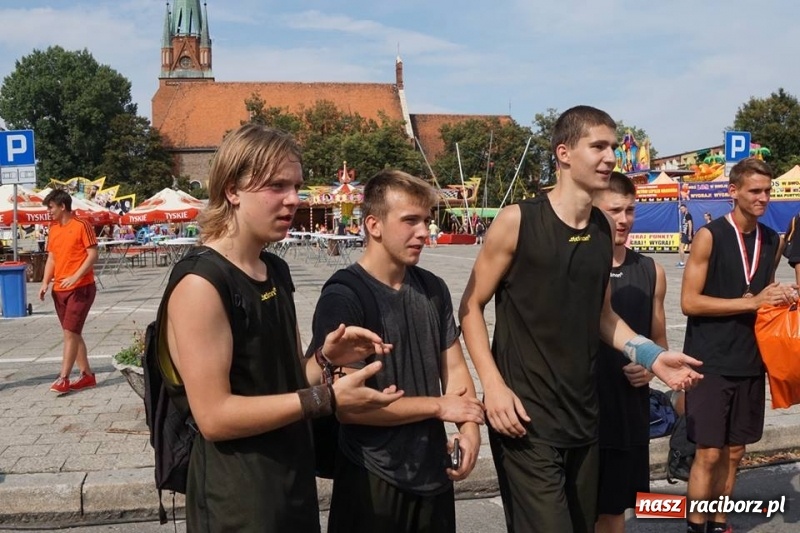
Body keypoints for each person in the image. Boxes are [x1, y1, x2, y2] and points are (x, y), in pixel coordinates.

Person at [458, 105, 703, 533]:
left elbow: (604, 316)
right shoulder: (518, 221)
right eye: (599, 146)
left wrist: (653, 357)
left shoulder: (601, 231)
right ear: (564, 153)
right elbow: (470, 306)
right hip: (525, 419)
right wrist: (492, 387)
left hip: (584, 418)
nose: (611, 157)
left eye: (613, 146)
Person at [161, 124, 404, 532]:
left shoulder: (274, 268)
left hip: (291, 482)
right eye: (276, 186)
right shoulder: (201, 284)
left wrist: (324, 359)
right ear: (232, 191)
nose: (293, 199)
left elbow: (285, 381)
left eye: (296, 185)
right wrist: (326, 398)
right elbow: (214, 416)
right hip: (238, 499)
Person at [309, 170, 484, 533]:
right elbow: (351, 405)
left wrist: (469, 431)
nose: (424, 231)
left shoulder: (433, 288)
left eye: (426, 221)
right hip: (373, 475)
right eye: (410, 221)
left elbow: (454, 371)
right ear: (373, 224)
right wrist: (438, 406)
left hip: (433, 472)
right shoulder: (344, 295)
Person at [681, 157, 798, 533]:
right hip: (709, 360)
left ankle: (719, 522)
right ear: (733, 192)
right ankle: (696, 525)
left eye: (768, 191)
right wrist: (752, 301)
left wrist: (784, 297)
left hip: (750, 360)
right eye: (755, 191)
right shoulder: (709, 236)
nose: (764, 198)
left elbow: (763, 295)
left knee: (735, 453)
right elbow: (689, 302)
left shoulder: (772, 240)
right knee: (709, 452)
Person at [592, 172, 668, 533]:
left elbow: (660, 341)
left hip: (627, 410)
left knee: (615, 513)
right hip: (583, 408)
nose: (623, 220)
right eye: (614, 210)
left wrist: (651, 370)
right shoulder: (575, 265)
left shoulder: (651, 270)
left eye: (630, 210)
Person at [38, 189, 99, 394]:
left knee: (70, 332)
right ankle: (87, 376)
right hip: (59, 290)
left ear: (62, 206)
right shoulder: (53, 228)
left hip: (81, 288)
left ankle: (63, 378)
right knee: (73, 332)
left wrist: (76, 276)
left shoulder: (82, 225)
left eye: (51, 207)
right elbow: (52, 258)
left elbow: (92, 255)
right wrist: (45, 282)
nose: (49, 211)